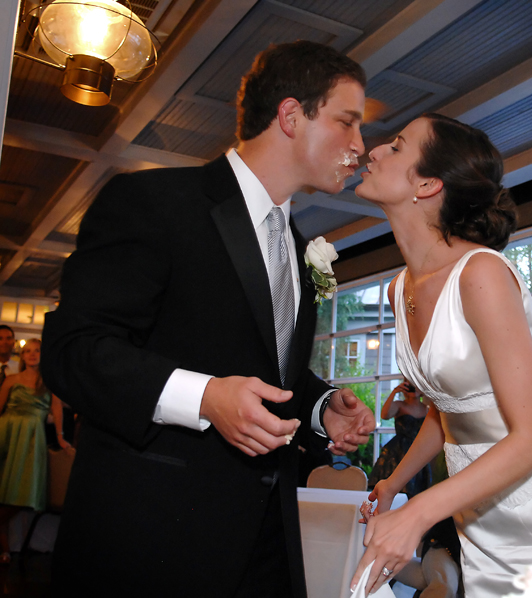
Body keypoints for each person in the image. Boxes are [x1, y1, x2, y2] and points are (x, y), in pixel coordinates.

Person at [41, 40, 376, 598]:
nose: (360, 146)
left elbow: (254, 364)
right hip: (154, 544)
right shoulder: (154, 201)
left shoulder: (297, 248)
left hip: (268, 543)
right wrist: (204, 399)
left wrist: (319, 405)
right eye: (347, 123)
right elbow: (74, 349)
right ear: (291, 116)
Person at [350, 113, 532, 596]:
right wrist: (394, 485)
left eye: (396, 147)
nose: (374, 151)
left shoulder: (480, 273)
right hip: (482, 520)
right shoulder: (399, 289)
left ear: (427, 184)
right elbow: (448, 411)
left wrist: (419, 513)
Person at [0, 339, 70, 564]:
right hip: (7, 437)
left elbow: (57, 408)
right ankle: (5, 549)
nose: (32, 354)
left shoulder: (49, 383)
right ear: (22, 356)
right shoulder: (11, 380)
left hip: (30, 441)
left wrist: (60, 437)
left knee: (20, 493)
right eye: (27, 351)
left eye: (37, 350)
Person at [369, 379, 431, 496]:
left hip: (418, 450)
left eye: (416, 385)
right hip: (397, 451)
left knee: (417, 489)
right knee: (395, 488)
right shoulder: (399, 405)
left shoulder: (427, 409)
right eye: (410, 385)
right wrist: (394, 392)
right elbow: (384, 415)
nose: (413, 387)